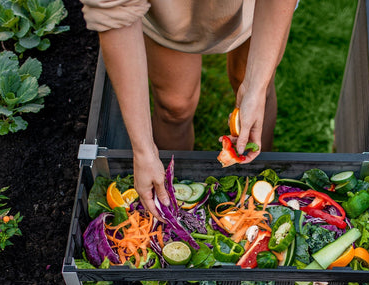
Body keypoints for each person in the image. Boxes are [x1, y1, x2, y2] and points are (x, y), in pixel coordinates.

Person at [79, 0, 297, 218]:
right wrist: (143, 149)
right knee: (174, 106)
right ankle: (175, 198)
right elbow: (114, 11)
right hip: (171, 12)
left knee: (258, 92)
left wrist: (256, 86)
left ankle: (259, 186)